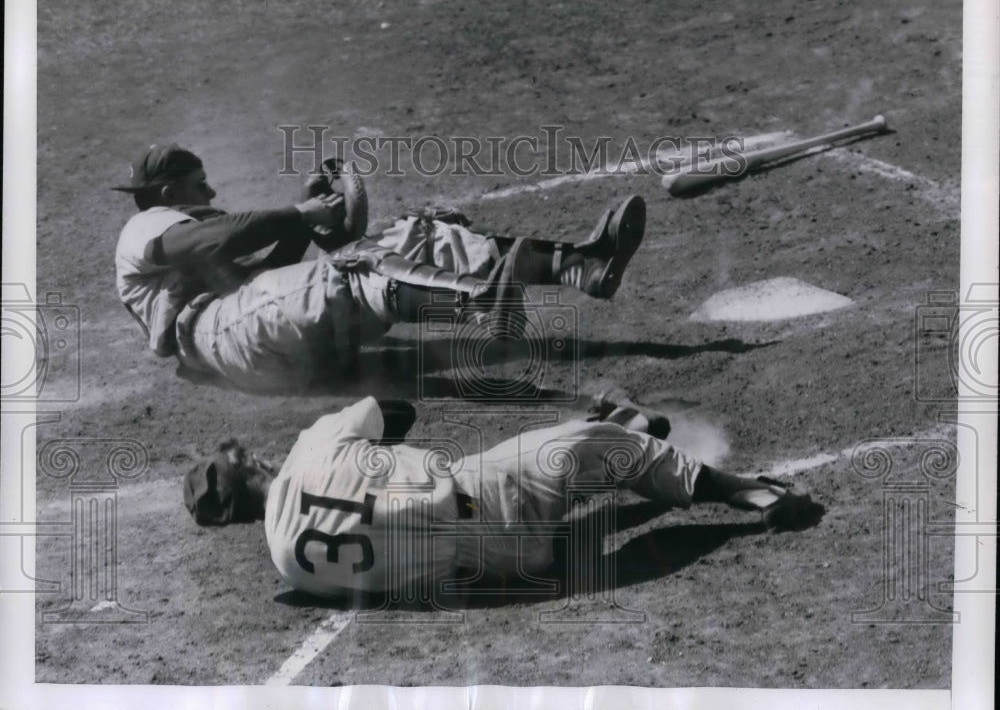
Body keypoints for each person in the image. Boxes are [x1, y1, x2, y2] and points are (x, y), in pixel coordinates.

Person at [182, 390, 823, 600]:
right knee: (590, 446)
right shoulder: (313, 446)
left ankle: (616, 431)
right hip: (486, 494)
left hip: (503, 571)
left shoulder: (287, 563)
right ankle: (751, 498)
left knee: (549, 486)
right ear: (247, 463)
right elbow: (394, 411)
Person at [113, 144, 647, 394]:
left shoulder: (189, 234)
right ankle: (479, 304)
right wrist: (295, 214)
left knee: (415, 234)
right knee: (356, 267)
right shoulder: (150, 227)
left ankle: (582, 265)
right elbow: (212, 240)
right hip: (222, 342)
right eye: (200, 183)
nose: (210, 191)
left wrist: (305, 227)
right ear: (166, 193)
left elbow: (262, 282)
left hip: (269, 348)